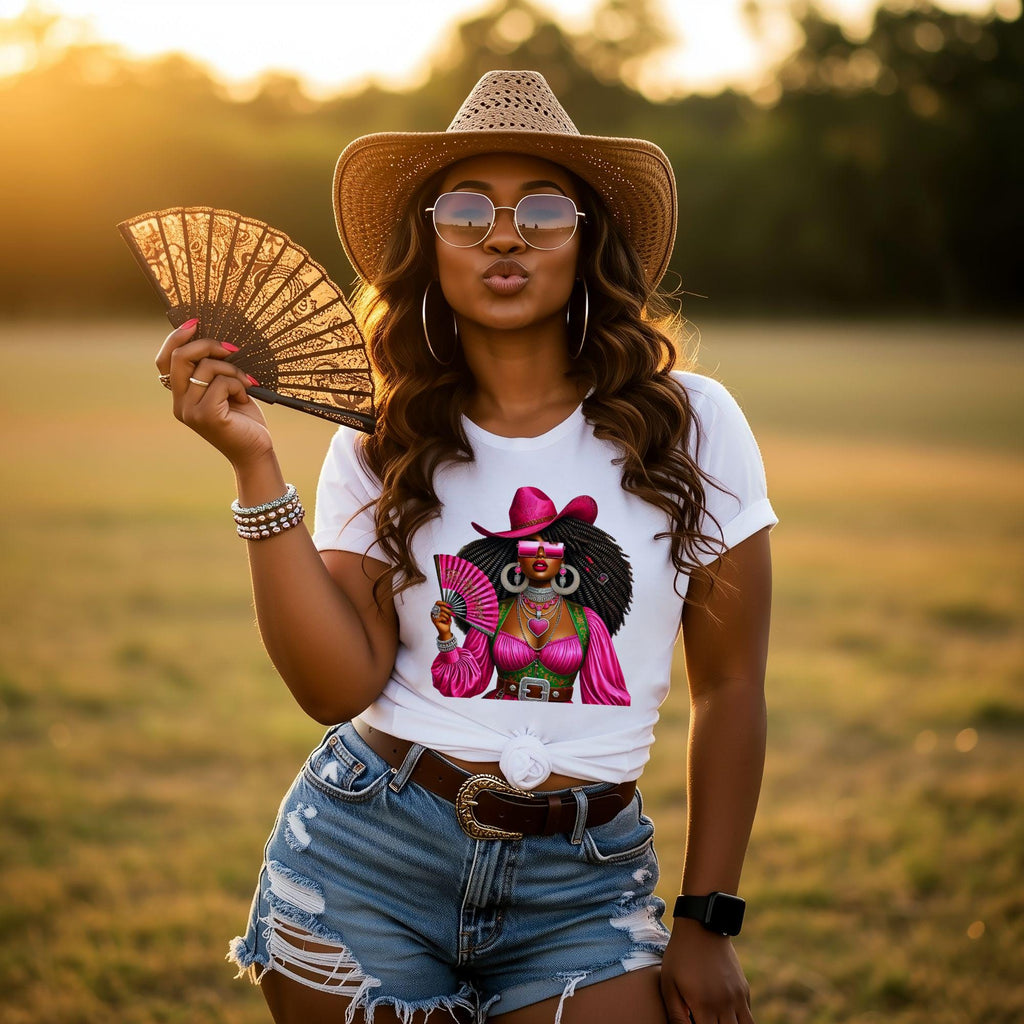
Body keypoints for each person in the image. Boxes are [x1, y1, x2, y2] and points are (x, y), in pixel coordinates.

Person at [154, 70, 777, 1024]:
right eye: (464, 209)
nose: (502, 233)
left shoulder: (693, 424)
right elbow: (333, 688)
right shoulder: (379, 438)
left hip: (585, 879)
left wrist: (708, 917)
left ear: (587, 240)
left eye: (541, 209)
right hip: (368, 853)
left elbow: (730, 687)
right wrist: (254, 468)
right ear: (428, 244)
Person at [429, 485, 631, 705]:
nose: (541, 553)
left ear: (563, 559)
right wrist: (445, 636)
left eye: (551, 546)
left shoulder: (588, 622)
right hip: (498, 723)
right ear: (517, 558)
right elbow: (463, 685)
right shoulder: (493, 615)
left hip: (561, 729)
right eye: (530, 546)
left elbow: (607, 701)